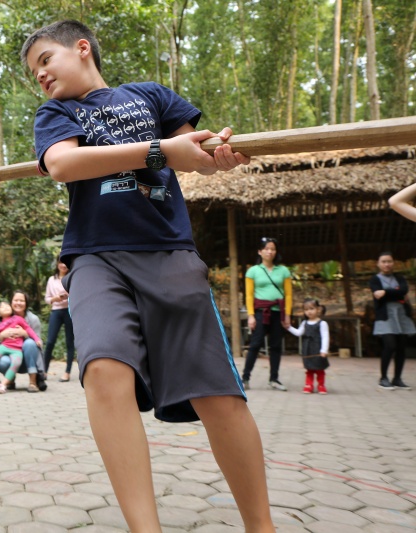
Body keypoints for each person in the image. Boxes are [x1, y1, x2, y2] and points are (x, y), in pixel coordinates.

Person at [21, 20, 274, 533]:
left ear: (82, 48)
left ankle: (262, 527)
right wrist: (160, 152)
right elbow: (65, 165)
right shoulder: (57, 113)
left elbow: (198, 157)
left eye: (45, 59)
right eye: (33, 72)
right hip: (95, 258)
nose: (40, 75)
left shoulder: (149, 95)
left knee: (216, 392)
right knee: (104, 370)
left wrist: (221, 155)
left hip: (169, 252)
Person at [241, 237, 292, 391]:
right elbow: (249, 295)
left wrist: (287, 315)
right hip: (260, 312)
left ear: (276, 252)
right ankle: (245, 378)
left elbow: (288, 295)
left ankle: (274, 379)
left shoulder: (284, 271)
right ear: (260, 251)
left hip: (278, 312)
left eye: (273, 249)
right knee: (255, 345)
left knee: (276, 346)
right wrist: (250, 315)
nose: (270, 251)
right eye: (267, 248)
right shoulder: (253, 271)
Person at [370, 251, 416, 390]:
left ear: (393, 263)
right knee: (390, 345)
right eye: (383, 261)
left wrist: (386, 292)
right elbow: (379, 294)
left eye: (389, 261)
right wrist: (396, 293)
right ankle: (383, 378)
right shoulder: (374, 279)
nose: (387, 264)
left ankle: (397, 378)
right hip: (385, 315)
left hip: (401, 315)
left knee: (401, 347)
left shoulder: (399, 277)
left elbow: (403, 290)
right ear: (378, 264)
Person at [0, 290, 45, 392]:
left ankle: (33, 382)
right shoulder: (4, 317)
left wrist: (25, 334)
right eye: (15, 300)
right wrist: (1, 336)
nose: (18, 303)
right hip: (11, 358)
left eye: (21, 300)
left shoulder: (33, 319)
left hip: (28, 361)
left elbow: (39, 343)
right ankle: (10, 381)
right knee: (3, 362)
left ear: (26, 303)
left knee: (30, 343)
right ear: (11, 302)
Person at [286, 298, 330, 394]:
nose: (309, 312)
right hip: (308, 349)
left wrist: (324, 350)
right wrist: (288, 327)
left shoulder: (322, 323)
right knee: (309, 368)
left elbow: (325, 337)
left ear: (318, 309)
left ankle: (321, 385)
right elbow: (298, 333)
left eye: (311, 309)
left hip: (318, 349)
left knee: (319, 369)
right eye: (306, 309)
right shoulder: (304, 323)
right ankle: (308, 385)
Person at [44, 256, 75, 381]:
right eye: (61, 262)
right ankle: (44, 371)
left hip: (69, 311)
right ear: (57, 264)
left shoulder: (73, 278)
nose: (63, 265)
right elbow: (47, 299)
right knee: (50, 341)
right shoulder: (51, 280)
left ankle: (67, 372)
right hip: (56, 311)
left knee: (69, 342)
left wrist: (69, 296)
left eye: (65, 263)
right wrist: (55, 298)